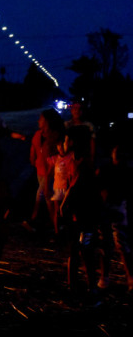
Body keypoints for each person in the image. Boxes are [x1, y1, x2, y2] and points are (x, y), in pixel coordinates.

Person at [59, 125, 102, 297]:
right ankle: (73, 287)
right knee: (74, 250)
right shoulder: (72, 160)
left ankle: (92, 287)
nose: (64, 142)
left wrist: (63, 205)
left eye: (66, 139)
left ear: (74, 142)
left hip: (86, 215)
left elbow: (74, 187)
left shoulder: (84, 163)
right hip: (76, 215)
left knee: (86, 250)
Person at [96, 144, 133, 292]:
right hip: (110, 209)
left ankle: (126, 277)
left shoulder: (123, 172)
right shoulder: (108, 170)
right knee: (111, 245)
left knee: (119, 245)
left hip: (116, 209)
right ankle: (108, 278)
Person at [26, 109, 64, 234]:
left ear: (47, 121)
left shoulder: (54, 136)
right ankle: (55, 223)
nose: (38, 121)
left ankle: (34, 219)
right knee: (47, 198)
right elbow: (34, 147)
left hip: (51, 172)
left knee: (42, 194)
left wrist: (49, 176)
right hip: (40, 170)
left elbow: (55, 159)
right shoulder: (39, 134)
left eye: (41, 119)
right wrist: (33, 157)